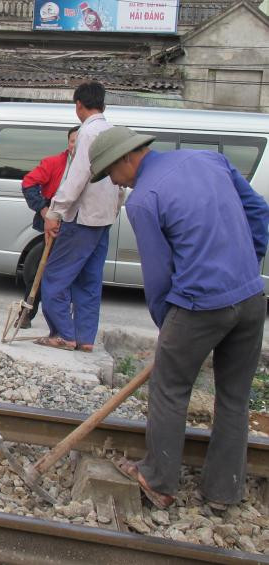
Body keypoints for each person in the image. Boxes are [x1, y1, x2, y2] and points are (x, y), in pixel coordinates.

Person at [89, 126, 269, 509]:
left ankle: (158, 480)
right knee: (234, 399)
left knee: (169, 389)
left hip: (198, 305)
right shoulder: (208, 159)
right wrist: (248, 263)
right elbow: (259, 211)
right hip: (251, 297)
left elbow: (158, 277)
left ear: (127, 158)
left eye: (110, 173)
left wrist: (167, 327)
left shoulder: (143, 200)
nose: (113, 183)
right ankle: (223, 493)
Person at [37, 81, 120, 352]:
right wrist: (114, 209)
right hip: (103, 219)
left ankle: (63, 334)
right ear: (103, 105)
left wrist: (55, 211)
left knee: (55, 277)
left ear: (79, 106)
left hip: (82, 219)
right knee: (89, 281)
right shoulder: (112, 132)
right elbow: (120, 184)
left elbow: (77, 176)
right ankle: (84, 338)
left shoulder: (87, 133)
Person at [18, 126, 78, 327]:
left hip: (78, 227)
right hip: (54, 226)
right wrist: (45, 213)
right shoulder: (54, 163)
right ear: (67, 142)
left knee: (73, 275)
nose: (75, 145)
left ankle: (66, 322)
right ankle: (26, 314)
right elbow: (28, 183)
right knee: (39, 271)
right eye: (72, 141)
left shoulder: (91, 166)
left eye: (79, 141)